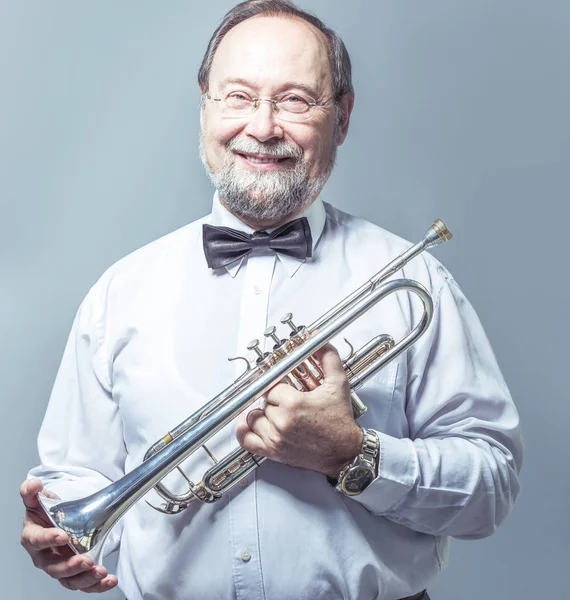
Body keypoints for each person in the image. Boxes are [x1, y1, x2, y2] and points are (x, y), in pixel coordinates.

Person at [20, 1, 523, 599]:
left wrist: (352, 452)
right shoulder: (119, 293)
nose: (262, 127)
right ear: (205, 104)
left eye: (294, 100)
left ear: (341, 117)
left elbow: (489, 493)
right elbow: (78, 479)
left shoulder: (414, 281)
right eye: (238, 96)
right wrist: (66, 536)